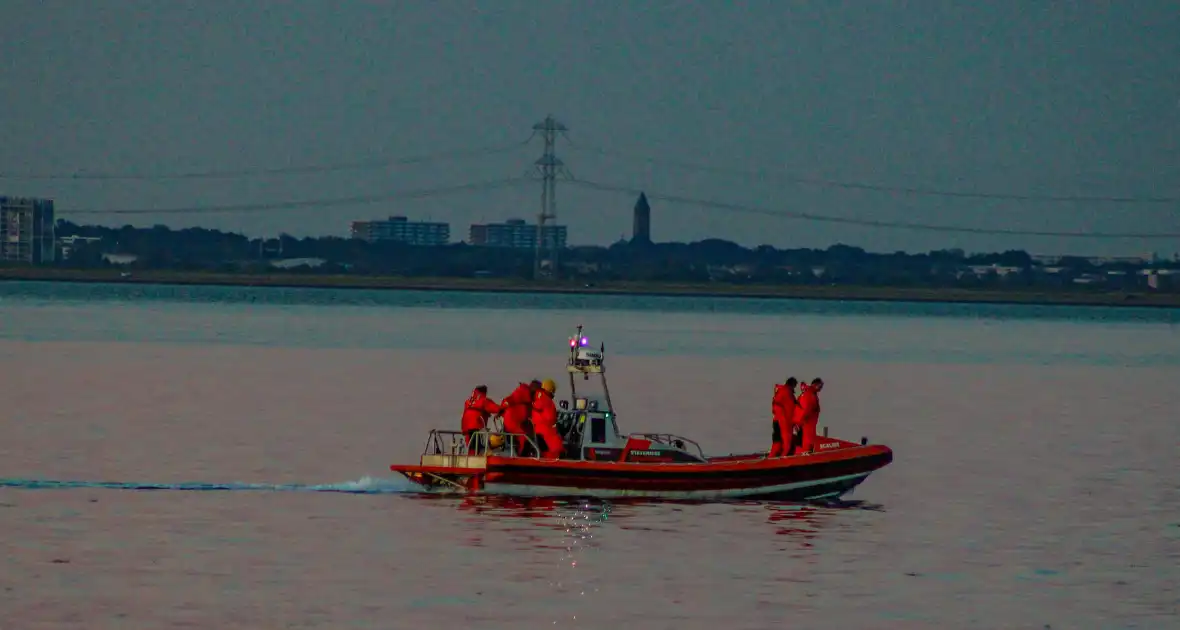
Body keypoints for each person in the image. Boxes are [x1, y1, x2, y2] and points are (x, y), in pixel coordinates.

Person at [499, 380, 540, 456]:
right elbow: (510, 399)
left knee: (527, 438)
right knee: (523, 439)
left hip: (521, 423)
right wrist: (501, 409)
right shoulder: (523, 392)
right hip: (513, 423)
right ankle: (521, 457)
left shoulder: (529, 399)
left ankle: (524, 455)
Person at [461, 385, 503, 453]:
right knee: (478, 446)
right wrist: (504, 408)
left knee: (471, 446)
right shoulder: (484, 400)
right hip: (476, 425)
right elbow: (496, 408)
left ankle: (471, 456)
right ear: (484, 392)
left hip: (466, 427)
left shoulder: (468, 402)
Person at [530, 378, 564, 460]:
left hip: (538, 433)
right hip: (547, 438)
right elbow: (551, 420)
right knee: (558, 450)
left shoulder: (536, 398)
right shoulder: (547, 401)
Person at [768, 377, 799, 457]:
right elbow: (790, 408)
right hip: (784, 421)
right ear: (792, 384)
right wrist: (795, 422)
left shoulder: (780, 391)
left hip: (776, 420)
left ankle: (771, 459)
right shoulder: (787, 393)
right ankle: (783, 459)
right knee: (787, 442)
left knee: (777, 441)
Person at [794, 378, 824, 455]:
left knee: (806, 440)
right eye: (821, 385)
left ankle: (804, 452)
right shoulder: (809, 394)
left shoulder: (809, 393)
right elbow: (806, 409)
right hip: (806, 423)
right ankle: (804, 454)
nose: (821, 388)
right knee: (807, 441)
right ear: (816, 384)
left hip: (806, 422)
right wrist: (800, 423)